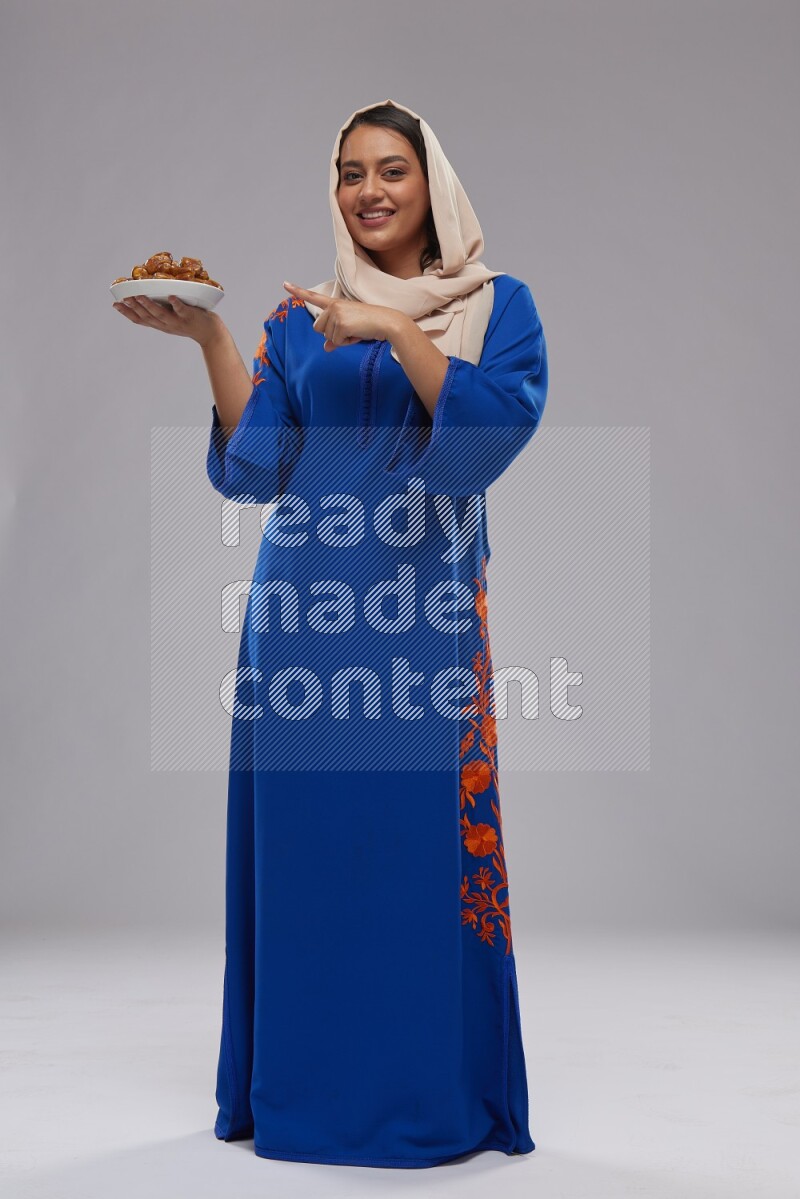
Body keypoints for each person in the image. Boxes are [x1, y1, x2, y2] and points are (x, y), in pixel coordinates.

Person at [113, 97, 548, 1169]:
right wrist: (214, 334)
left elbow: (489, 436)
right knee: (307, 851)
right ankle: (301, 1089)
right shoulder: (300, 315)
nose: (368, 191)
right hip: (299, 615)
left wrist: (398, 329)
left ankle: (424, 1092)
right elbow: (256, 466)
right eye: (350, 172)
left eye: (390, 169)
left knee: (410, 850)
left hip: (419, 616)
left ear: (430, 182)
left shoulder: (496, 305)